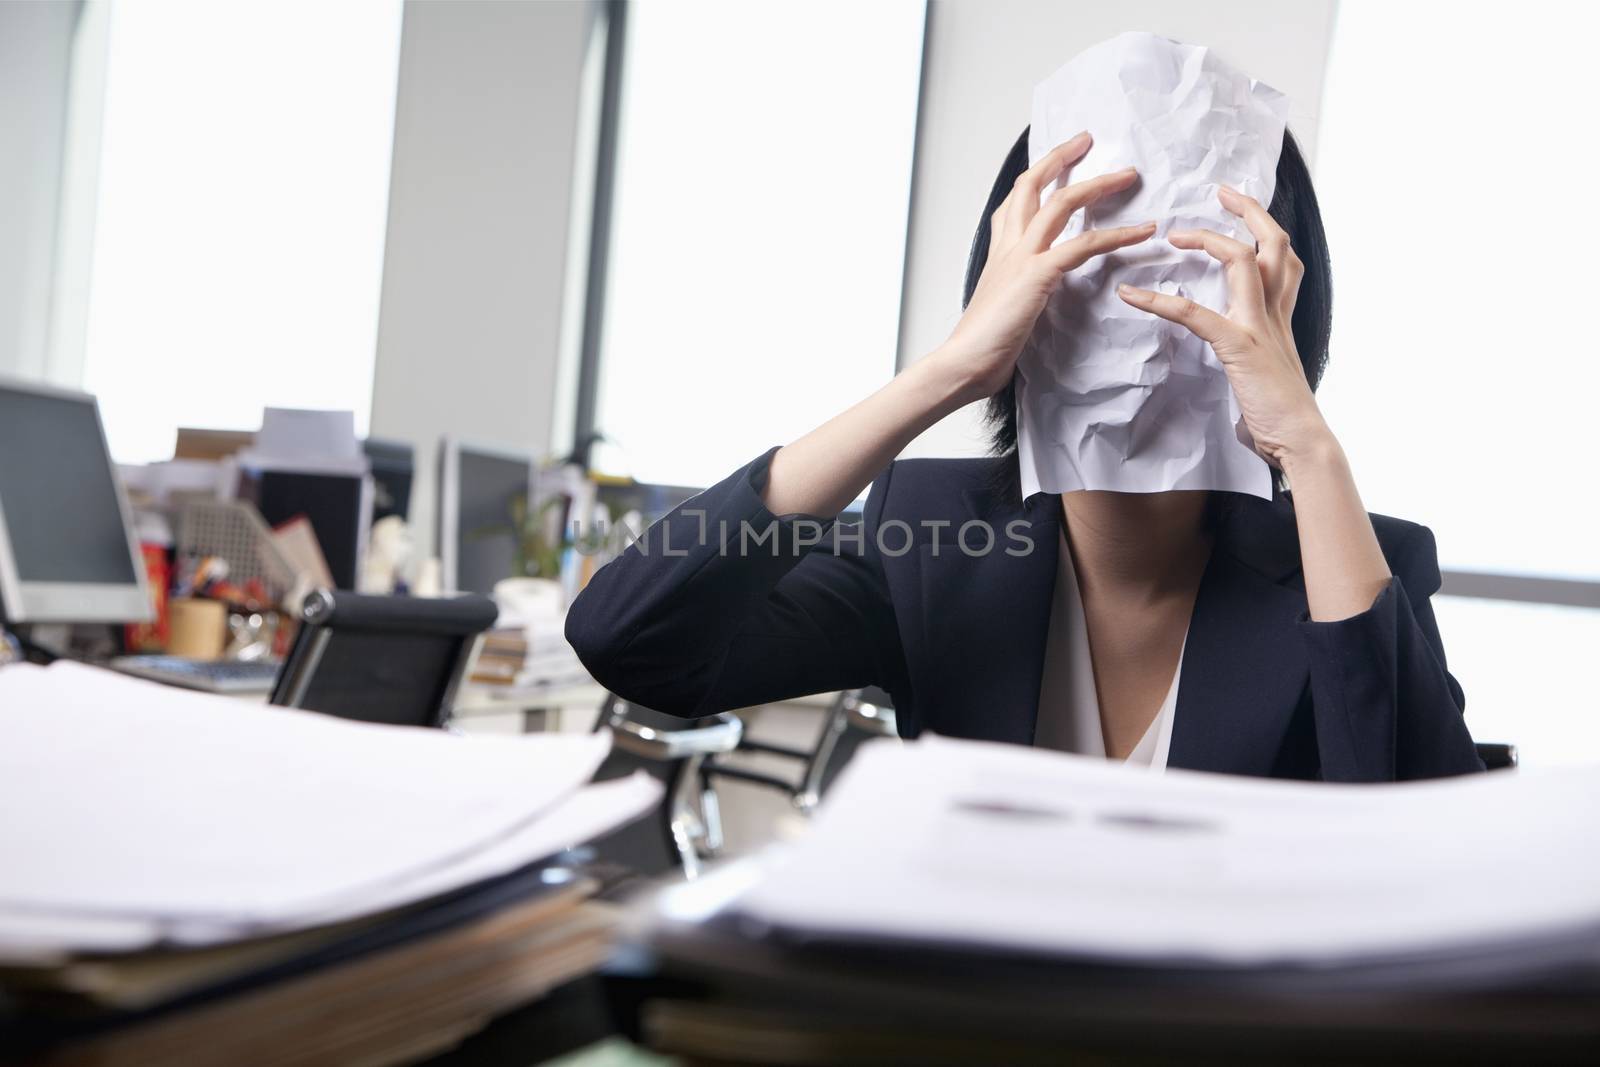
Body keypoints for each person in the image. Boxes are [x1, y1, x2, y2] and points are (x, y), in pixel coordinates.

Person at [565, 128, 1485, 781]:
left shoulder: (1360, 562)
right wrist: (946, 372)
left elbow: (1419, 829)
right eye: (1084, 273)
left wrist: (1310, 450)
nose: (1140, 324)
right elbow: (631, 641)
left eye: (1192, 280)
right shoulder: (928, 536)